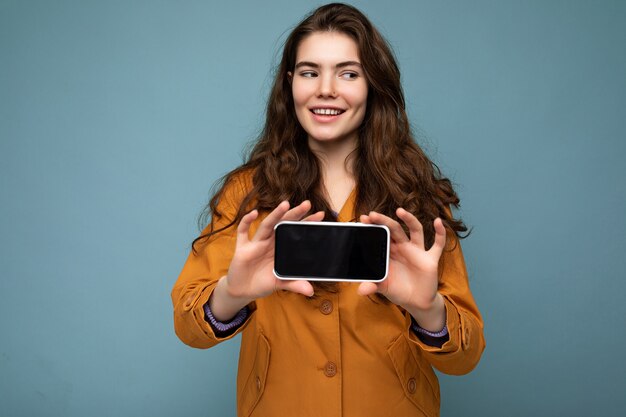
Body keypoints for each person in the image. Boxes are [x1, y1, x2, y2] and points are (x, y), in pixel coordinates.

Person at [172, 3, 485, 416]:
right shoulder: (246, 193)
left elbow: (465, 359)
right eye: (309, 72)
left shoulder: (417, 197)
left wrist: (428, 311)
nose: (326, 89)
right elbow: (189, 327)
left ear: (373, 84)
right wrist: (232, 293)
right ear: (289, 84)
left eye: (348, 73)